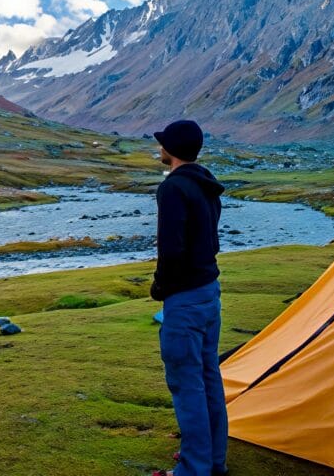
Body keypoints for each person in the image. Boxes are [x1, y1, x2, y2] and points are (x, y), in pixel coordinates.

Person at [149, 120, 228, 476]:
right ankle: (214, 461)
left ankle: (194, 469)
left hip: (185, 299)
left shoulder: (173, 189)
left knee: (186, 384)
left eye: (163, 143)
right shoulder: (206, 184)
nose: (159, 148)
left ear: (174, 149)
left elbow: (171, 249)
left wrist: (159, 288)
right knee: (209, 376)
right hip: (210, 292)